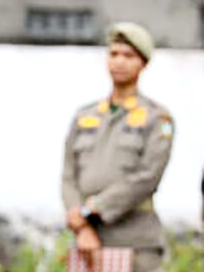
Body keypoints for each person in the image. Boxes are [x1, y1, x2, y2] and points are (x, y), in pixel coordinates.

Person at [62, 22, 174, 272]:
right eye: (113, 54)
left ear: (143, 63)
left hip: (134, 242)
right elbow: (68, 175)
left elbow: (147, 177)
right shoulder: (85, 115)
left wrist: (93, 208)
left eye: (128, 55)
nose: (119, 62)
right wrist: (81, 226)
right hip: (87, 241)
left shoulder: (157, 118)